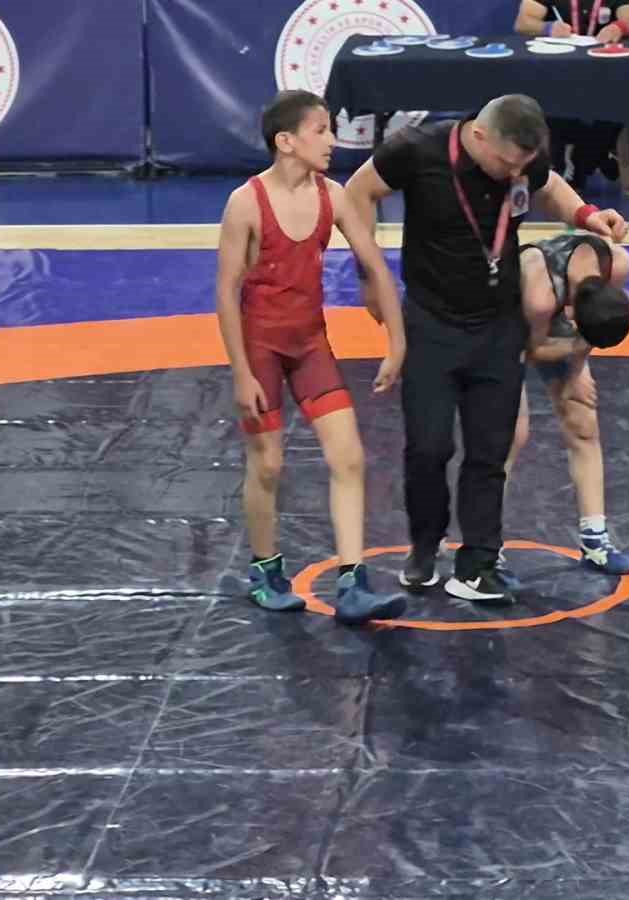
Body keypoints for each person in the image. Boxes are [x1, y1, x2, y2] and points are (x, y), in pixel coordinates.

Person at [344, 94, 629, 607]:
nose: (515, 175)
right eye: (507, 163)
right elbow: (358, 192)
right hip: (432, 322)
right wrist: (369, 273)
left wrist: (586, 215)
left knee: (490, 450)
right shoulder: (417, 149)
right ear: (479, 136)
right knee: (428, 448)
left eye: (523, 165)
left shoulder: (520, 160)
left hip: (498, 325)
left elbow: (549, 186)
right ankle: (424, 546)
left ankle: (477, 565)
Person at [214, 89, 406, 626]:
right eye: (320, 131)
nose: (332, 141)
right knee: (268, 464)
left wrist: (397, 341)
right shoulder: (246, 202)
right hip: (261, 348)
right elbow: (226, 292)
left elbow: (375, 265)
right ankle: (265, 571)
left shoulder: (333, 196)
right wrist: (241, 373)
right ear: (286, 141)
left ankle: (353, 583)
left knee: (349, 457)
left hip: (310, 344)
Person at [501, 231, 629, 585]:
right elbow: (530, 350)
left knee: (582, 422)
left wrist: (577, 370)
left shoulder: (616, 264)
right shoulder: (540, 296)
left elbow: (594, 329)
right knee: (509, 435)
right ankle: (485, 546)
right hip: (506, 322)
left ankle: (595, 540)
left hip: (559, 320)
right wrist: (576, 350)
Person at [513, 0, 629, 189]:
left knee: (625, 92)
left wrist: (618, 27)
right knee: (547, 93)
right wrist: (548, 27)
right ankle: (595, 154)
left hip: (605, 71)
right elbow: (523, 22)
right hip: (557, 71)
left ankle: (584, 155)